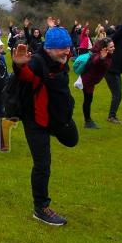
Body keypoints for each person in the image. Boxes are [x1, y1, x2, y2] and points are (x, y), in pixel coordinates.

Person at [12, 20, 78, 226]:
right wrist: (19, 64)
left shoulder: (60, 61)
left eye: (68, 47)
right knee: (43, 164)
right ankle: (41, 208)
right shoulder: (37, 62)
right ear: (49, 48)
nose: (66, 51)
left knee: (72, 140)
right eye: (62, 48)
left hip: (56, 117)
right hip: (36, 121)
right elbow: (25, 75)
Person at [80, 38, 114, 129]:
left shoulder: (107, 54)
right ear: (104, 48)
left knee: (88, 100)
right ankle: (88, 121)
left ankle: (88, 121)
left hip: (90, 81)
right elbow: (96, 60)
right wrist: (101, 58)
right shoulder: (100, 55)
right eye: (111, 47)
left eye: (113, 46)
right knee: (88, 100)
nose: (113, 48)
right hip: (87, 81)